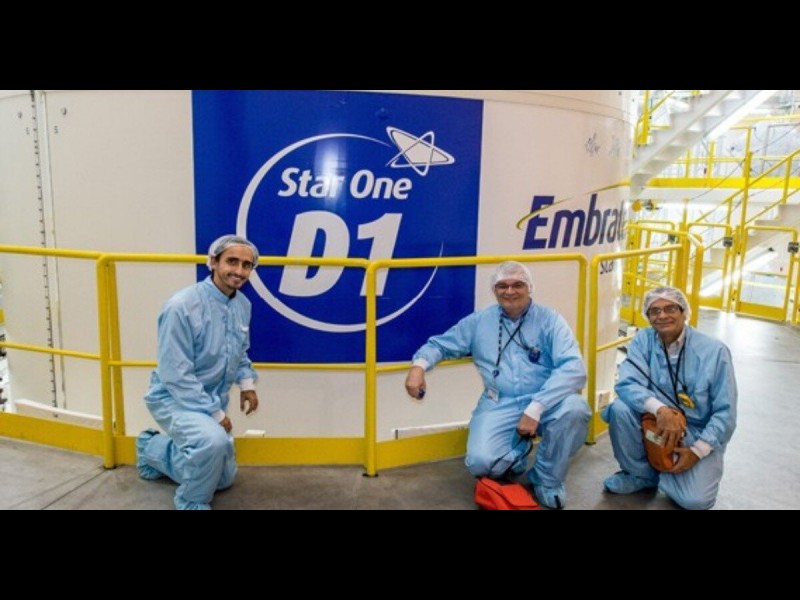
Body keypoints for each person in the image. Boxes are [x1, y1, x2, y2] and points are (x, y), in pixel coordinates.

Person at [404, 261, 590, 509]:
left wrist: (536, 407)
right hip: (499, 401)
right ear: (494, 290)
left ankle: (547, 479)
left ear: (530, 288)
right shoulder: (479, 322)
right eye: (502, 286)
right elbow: (440, 344)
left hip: (546, 399)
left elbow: (574, 369)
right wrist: (418, 368)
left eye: (517, 285)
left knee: (575, 409)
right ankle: (517, 452)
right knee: (481, 464)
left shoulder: (551, 321)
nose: (510, 291)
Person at [136, 234, 261, 510]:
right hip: (174, 398)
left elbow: (240, 350)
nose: (239, 271)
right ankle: (192, 501)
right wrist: (215, 413)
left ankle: (153, 449)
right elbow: (175, 374)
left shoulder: (243, 305)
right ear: (213, 262)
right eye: (232, 262)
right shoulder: (181, 306)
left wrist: (247, 384)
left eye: (246, 265)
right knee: (212, 443)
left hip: (210, 398)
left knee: (224, 479)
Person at [602, 286, 737, 510]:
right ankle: (641, 474)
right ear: (648, 317)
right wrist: (660, 410)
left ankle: (663, 472)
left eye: (670, 309)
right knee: (619, 409)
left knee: (696, 501)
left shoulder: (714, 352)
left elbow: (726, 412)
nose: (662, 316)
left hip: (696, 430)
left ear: (684, 312)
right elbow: (627, 383)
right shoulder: (643, 341)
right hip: (654, 421)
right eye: (654, 311)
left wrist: (698, 451)